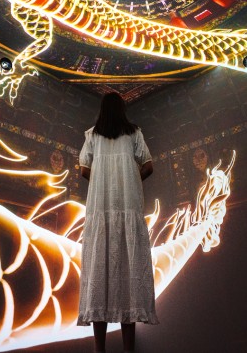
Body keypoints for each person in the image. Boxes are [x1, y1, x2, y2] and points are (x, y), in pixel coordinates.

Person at [77, 92, 158, 352]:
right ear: (123, 109)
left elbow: (83, 169)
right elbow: (148, 165)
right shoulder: (134, 133)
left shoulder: (92, 135)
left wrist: (102, 182)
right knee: (129, 275)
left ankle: (99, 349)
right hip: (127, 206)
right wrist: (130, 183)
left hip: (100, 208)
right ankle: (128, 349)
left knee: (99, 275)